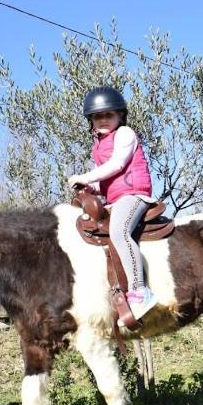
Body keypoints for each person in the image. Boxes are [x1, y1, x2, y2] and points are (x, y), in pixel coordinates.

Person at [68, 86, 157, 325]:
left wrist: (86, 177)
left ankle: (140, 290)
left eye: (109, 115)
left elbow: (118, 165)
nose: (103, 120)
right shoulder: (97, 146)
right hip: (116, 198)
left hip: (135, 194)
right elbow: (105, 180)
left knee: (119, 231)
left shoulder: (125, 134)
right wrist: (91, 188)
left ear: (120, 116)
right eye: (98, 116)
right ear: (91, 122)